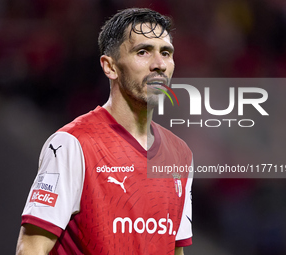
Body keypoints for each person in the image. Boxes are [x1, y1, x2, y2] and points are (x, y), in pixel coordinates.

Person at [16, 7, 193, 255]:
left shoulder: (180, 154)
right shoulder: (72, 144)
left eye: (166, 53)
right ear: (110, 67)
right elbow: (31, 249)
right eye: (143, 52)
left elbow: (174, 250)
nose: (159, 65)